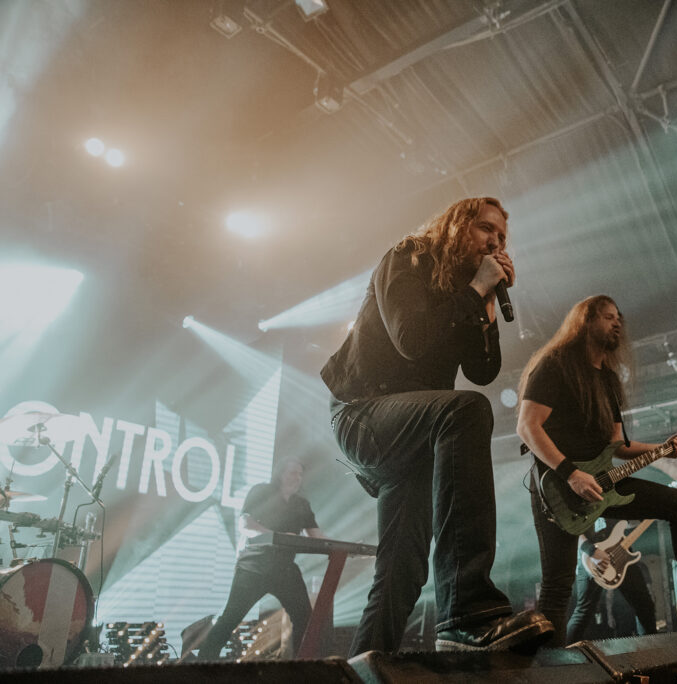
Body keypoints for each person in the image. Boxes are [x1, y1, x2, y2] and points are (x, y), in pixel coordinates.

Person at [322, 197, 552, 655]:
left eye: (502, 237)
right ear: (456, 226)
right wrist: (474, 289)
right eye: (486, 229)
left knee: (401, 572)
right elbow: (412, 340)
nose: (495, 242)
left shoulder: (465, 291)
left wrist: (485, 305)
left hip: (416, 433)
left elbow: (484, 371)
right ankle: (467, 609)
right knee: (466, 410)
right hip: (363, 413)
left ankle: (364, 669)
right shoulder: (408, 258)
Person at [517, 294, 677, 644]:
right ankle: (550, 670)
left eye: (619, 316)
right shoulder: (555, 365)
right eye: (607, 316)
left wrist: (665, 448)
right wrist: (571, 473)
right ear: (585, 322)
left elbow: (618, 445)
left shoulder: (607, 379)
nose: (617, 322)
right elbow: (528, 427)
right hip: (557, 489)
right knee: (558, 586)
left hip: (603, 484)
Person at [197, 459, 324, 660]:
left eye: (300, 474)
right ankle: (201, 666)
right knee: (230, 619)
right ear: (280, 473)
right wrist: (277, 536)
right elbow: (245, 524)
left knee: (305, 621)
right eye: (292, 473)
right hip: (254, 567)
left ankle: (302, 668)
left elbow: (317, 537)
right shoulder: (261, 492)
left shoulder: (302, 504)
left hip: (285, 570)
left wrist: (344, 547)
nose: (297, 478)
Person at [565, 520, 657, 643]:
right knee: (584, 611)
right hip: (592, 556)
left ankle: (652, 651)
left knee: (645, 605)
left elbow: (626, 523)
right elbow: (570, 525)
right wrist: (591, 551)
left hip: (621, 551)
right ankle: (564, 656)